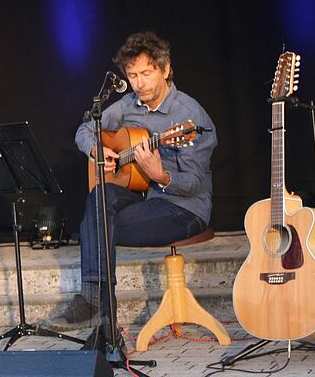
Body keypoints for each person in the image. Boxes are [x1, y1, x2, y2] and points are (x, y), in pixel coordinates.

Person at [67, 31, 217, 349]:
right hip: (145, 197)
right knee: (99, 197)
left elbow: (195, 183)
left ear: (165, 69)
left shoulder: (188, 117)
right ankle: (101, 318)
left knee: (96, 225)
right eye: (132, 75)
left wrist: (160, 175)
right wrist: (96, 149)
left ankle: (101, 323)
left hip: (185, 208)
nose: (139, 83)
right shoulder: (127, 105)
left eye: (146, 73)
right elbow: (84, 129)